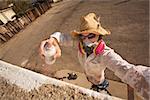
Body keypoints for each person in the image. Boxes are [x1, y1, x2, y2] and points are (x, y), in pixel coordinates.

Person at [40, 13, 150, 99]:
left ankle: (102, 88)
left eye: (91, 36)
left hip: (99, 80)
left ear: (99, 36)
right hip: (89, 77)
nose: (86, 41)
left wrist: (144, 81)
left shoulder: (106, 54)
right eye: (83, 37)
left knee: (100, 88)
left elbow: (125, 68)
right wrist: (52, 40)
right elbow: (61, 37)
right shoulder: (80, 43)